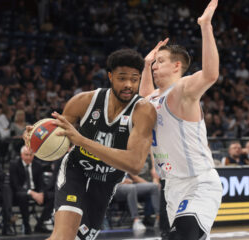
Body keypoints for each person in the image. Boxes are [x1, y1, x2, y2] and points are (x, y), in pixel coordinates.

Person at [23, 49, 156, 240]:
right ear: (110, 76)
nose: (128, 85)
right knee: (63, 237)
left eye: (134, 79)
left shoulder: (143, 111)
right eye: (122, 78)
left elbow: (135, 163)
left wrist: (83, 141)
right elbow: (59, 134)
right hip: (76, 171)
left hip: (106, 182)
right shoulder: (83, 101)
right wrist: (35, 136)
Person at [139, 1, 222, 239]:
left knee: (183, 235)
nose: (156, 66)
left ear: (177, 66)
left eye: (160, 61)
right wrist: (146, 65)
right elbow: (145, 98)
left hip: (199, 182)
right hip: (172, 186)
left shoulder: (182, 90)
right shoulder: (155, 98)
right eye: (155, 62)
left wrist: (205, 26)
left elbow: (210, 74)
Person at [9, 146, 53, 234]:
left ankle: (39, 225)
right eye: (26, 155)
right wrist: (32, 193)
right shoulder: (14, 164)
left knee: (52, 196)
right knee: (23, 196)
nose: (29, 157)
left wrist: (41, 193)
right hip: (20, 193)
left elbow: (41, 183)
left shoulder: (38, 165)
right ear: (21, 155)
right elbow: (16, 185)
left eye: (31, 155)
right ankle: (26, 225)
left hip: (35, 192)